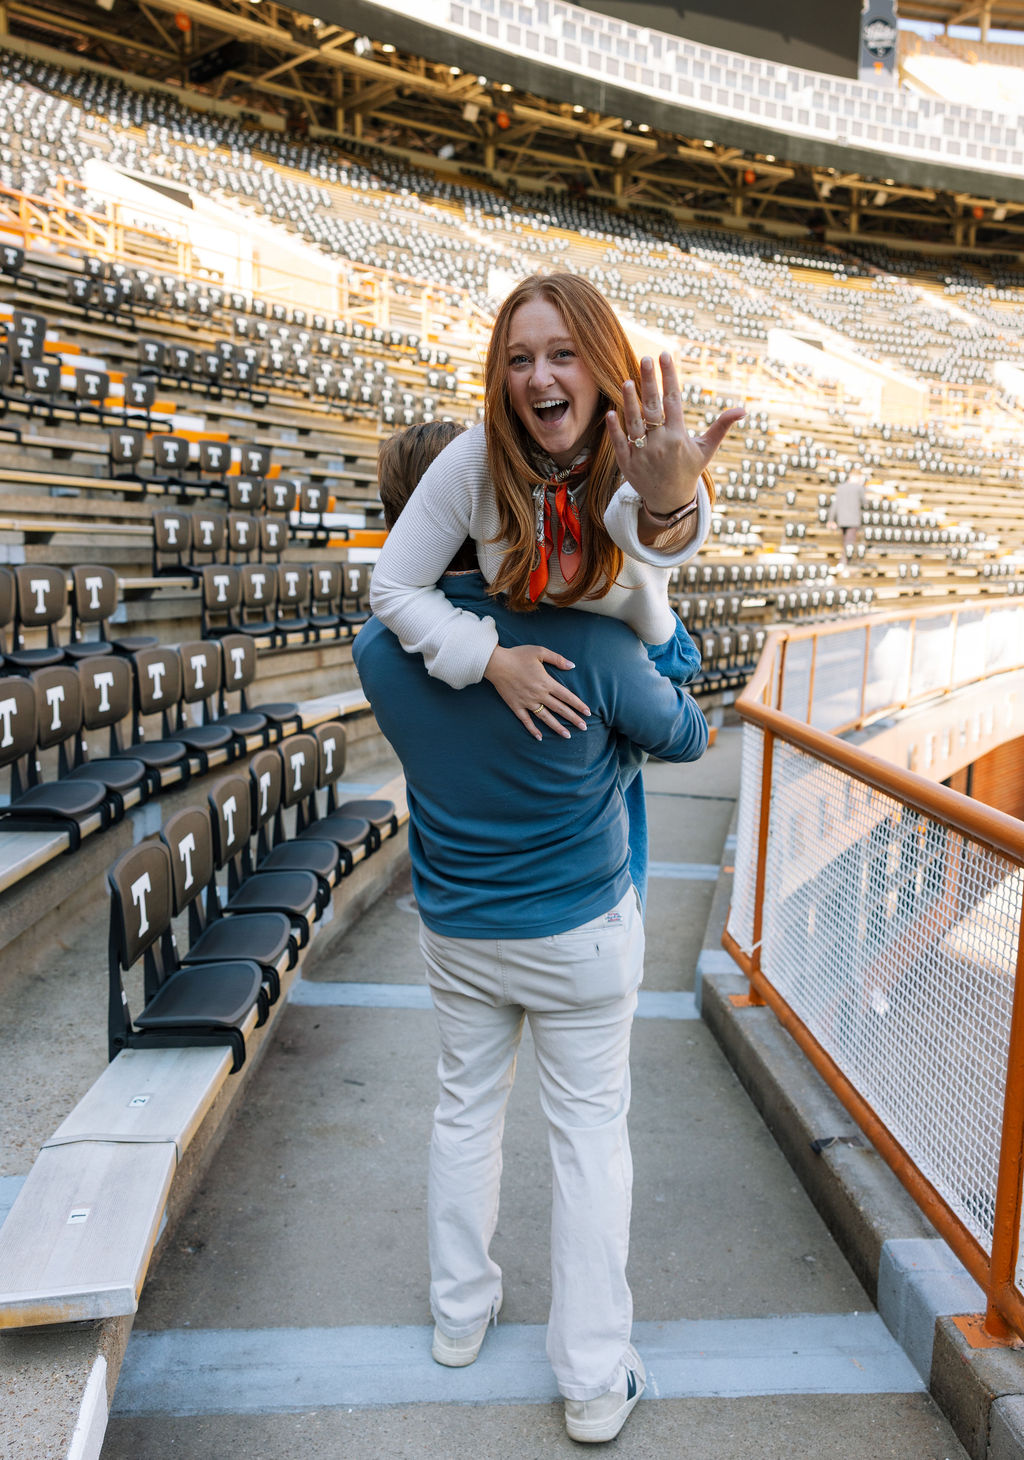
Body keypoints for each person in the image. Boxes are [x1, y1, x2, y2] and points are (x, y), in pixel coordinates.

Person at [353, 431, 709, 1443]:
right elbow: (687, 727)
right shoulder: (587, 638)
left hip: (460, 921)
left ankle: (458, 1316)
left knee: (463, 1109)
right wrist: (645, 600)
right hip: (578, 927)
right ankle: (593, 1380)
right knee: (588, 1137)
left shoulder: (379, 649)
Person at [369, 272, 743, 741]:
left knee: (616, 795)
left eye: (563, 353)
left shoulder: (640, 449)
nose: (540, 377)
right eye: (520, 359)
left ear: (601, 360)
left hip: (644, 655)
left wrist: (669, 502)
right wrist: (493, 661)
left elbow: (649, 531)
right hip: (549, 647)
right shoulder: (474, 457)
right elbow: (392, 586)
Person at [827, 468, 868, 572]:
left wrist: (831, 519)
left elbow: (835, 504)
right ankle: (843, 563)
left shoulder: (841, 487)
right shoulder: (859, 488)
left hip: (842, 520)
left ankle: (844, 562)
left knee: (846, 541)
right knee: (849, 543)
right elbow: (865, 503)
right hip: (853, 520)